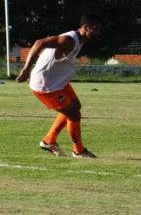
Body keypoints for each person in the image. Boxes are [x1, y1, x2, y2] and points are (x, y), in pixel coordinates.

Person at [15, 14, 102, 158]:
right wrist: (26, 69)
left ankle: (49, 141)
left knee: (75, 106)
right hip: (46, 85)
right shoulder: (69, 39)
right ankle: (78, 151)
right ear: (86, 27)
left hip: (57, 82)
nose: (99, 32)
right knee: (74, 114)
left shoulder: (80, 40)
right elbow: (39, 43)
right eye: (96, 29)